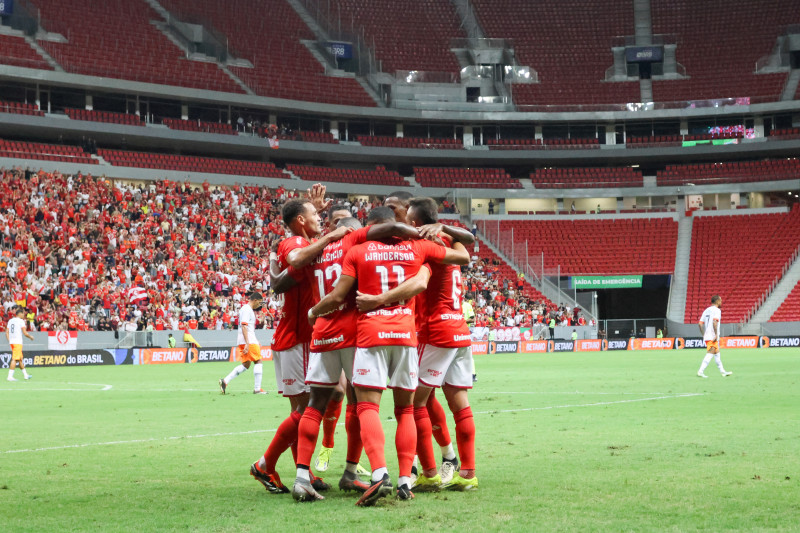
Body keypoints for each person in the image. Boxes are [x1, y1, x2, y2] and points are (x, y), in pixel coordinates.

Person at [309, 205, 470, 506]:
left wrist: (314, 312)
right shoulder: (418, 247)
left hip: (371, 334)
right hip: (406, 336)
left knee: (367, 406)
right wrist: (441, 229)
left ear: (371, 226)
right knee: (405, 411)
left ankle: (379, 473)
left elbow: (339, 295)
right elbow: (463, 256)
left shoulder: (358, 251)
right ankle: (406, 480)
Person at [290, 211, 419, 501]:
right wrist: (413, 232)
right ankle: (366, 473)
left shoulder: (321, 247)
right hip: (351, 331)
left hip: (323, 331)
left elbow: (297, 260)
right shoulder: (355, 240)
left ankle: (301, 479)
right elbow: (380, 231)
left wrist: (313, 312)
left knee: (315, 404)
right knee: (363, 405)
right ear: (353, 231)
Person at [359, 197, 478, 492]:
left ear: (416, 222)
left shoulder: (422, 247)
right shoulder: (449, 239)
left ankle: (428, 471)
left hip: (435, 330)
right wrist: (447, 227)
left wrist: (378, 300)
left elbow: (421, 281)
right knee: (457, 401)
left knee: (414, 403)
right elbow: (467, 249)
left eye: (410, 218)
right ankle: (467, 472)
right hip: (459, 330)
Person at [250, 186, 347, 494]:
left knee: (308, 407)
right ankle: (264, 464)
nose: (321, 218)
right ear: (302, 220)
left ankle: (301, 472)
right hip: (297, 339)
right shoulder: (293, 241)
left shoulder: (308, 240)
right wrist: (329, 236)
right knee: (307, 410)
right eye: (316, 215)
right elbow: (295, 256)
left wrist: (321, 229)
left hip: (300, 338)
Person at [219, 292, 267, 394]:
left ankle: (225, 381)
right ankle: (257, 389)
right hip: (248, 340)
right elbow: (244, 326)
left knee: (246, 364)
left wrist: (255, 340)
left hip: (246, 339)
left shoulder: (246, 309)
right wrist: (248, 343)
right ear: (255, 300)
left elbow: (247, 327)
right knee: (258, 361)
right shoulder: (246, 309)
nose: (259, 305)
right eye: (259, 302)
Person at [697, 295, 732, 378]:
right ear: (717, 301)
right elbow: (714, 322)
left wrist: (703, 334)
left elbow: (700, 324)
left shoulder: (706, 310)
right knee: (710, 353)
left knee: (717, 354)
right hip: (713, 336)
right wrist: (716, 334)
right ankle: (700, 371)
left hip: (707, 336)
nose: (721, 302)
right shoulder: (717, 310)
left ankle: (723, 372)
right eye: (720, 300)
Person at [6, 307, 34, 381]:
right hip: (17, 342)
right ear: (20, 313)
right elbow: (25, 333)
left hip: (12, 342)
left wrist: (10, 340)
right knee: (15, 359)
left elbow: (7, 332)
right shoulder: (21, 321)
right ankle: (10, 376)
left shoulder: (10, 321)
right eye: (23, 314)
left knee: (20, 359)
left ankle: (25, 375)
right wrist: (30, 337)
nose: (24, 315)